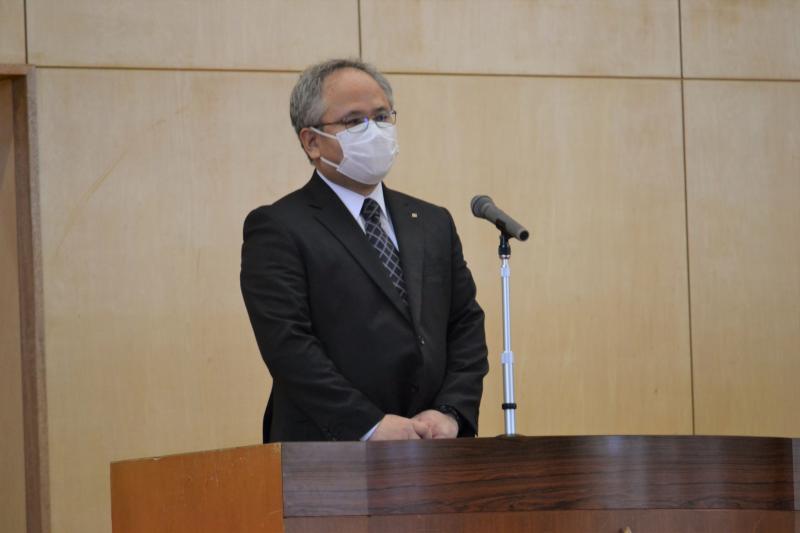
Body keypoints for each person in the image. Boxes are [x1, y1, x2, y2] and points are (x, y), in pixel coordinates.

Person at [240, 58, 488, 443]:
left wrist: (451, 412)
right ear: (311, 141)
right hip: (327, 453)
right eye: (354, 121)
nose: (374, 131)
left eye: (382, 116)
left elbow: (465, 325)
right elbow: (288, 346)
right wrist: (368, 425)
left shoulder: (433, 221)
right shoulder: (278, 227)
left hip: (432, 449)